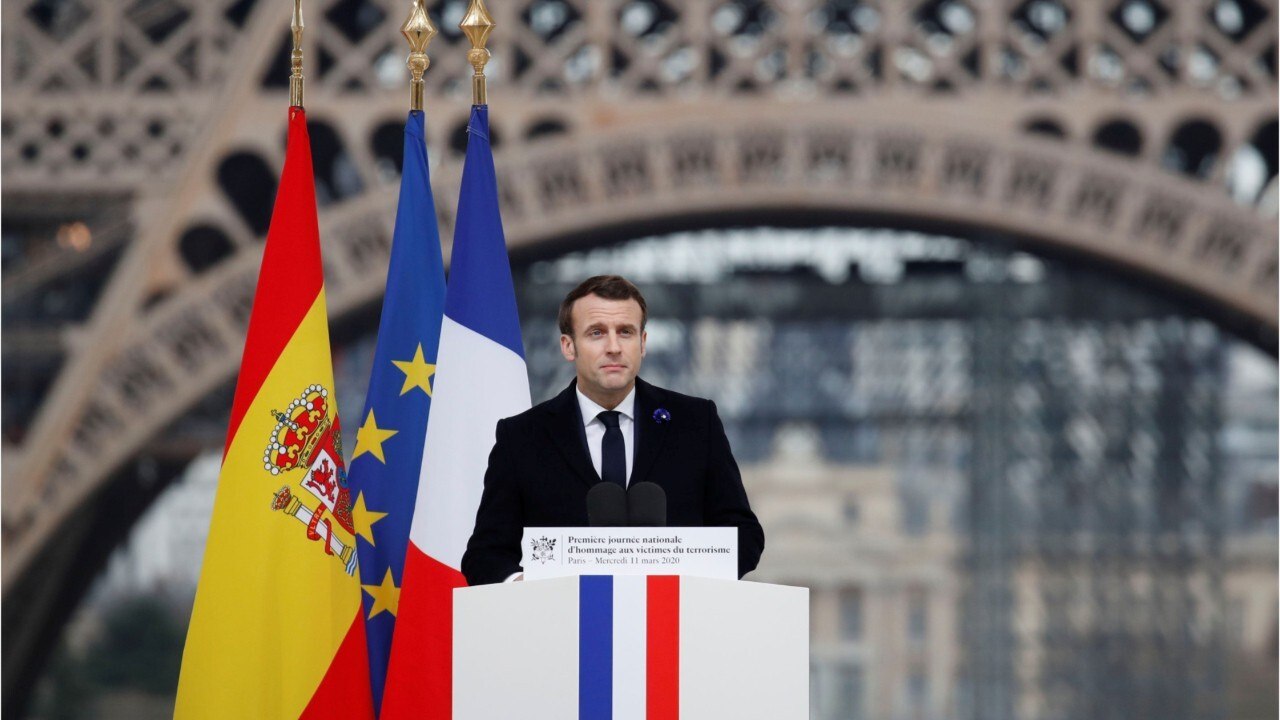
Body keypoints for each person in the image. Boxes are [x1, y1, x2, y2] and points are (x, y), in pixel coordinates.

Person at [461, 275, 765, 585]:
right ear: (568, 346)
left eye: (625, 332)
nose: (614, 347)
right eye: (596, 333)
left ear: (642, 343)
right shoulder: (522, 436)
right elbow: (485, 554)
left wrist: (693, 579)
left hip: (674, 611)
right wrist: (524, 587)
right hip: (563, 614)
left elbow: (744, 535)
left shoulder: (696, 423)